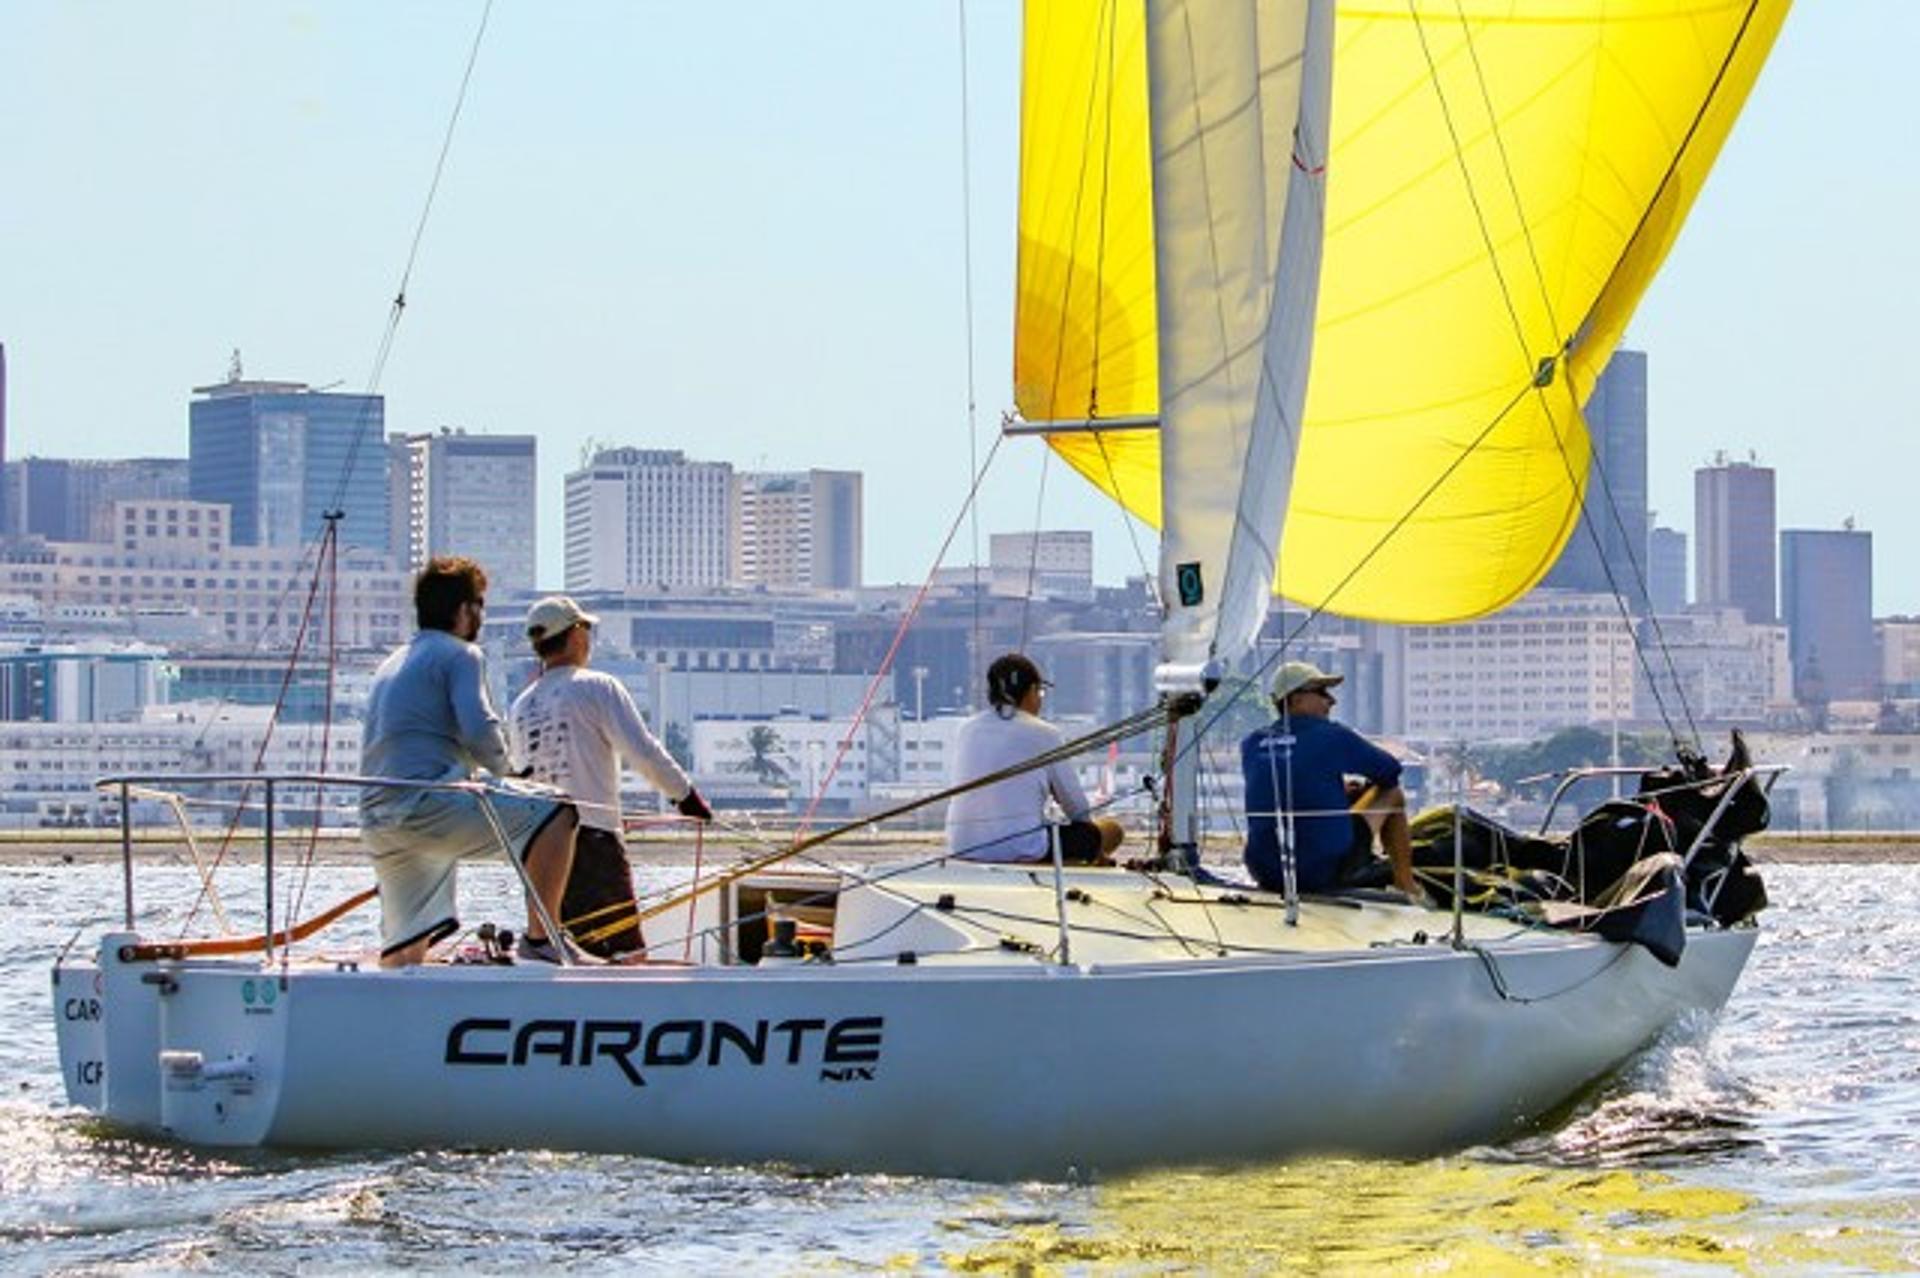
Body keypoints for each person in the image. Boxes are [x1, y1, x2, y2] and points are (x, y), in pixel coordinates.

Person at [360, 556, 582, 967]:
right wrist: (510, 773)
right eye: (479, 604)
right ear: (464, 609)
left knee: (405, 950)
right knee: (558, 812)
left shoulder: (391, 661)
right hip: (425, 808)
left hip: (377, 819)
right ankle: (542, 939)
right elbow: (479, 730)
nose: (481, 614)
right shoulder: (462, 654)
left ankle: (397, 1007)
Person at [509, 595, 713, 958]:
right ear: (574, 636)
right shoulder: (596, 686)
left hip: (538, 848)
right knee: (624, 955)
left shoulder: (521, 705)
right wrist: (685, 797)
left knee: (561, 951)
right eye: (586, 629)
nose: (589, 638)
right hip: (591, 840)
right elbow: (643, 751)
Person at [1241, 660, 1421, 900]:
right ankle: (1407, 886)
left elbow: (1289, 784)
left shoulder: (1252, 744)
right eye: (1322, 693)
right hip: (1322, 872)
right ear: (1295, 700)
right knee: (1392, 794)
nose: (1331, 701)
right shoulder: (1331, 736)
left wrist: (1335, 792)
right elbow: (1390, 771)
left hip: (1266, 873)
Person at [946, 652, 1123, 864]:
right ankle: (1089, 861)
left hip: (962, 846)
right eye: (1040, 692)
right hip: (1019, 848)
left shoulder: (966, 729)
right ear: (1031, 691)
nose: (1040, 700)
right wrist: (1093, 843)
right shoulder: (1044, 733)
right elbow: (1077, 808)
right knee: (1111, 830)